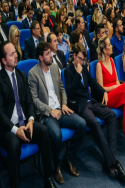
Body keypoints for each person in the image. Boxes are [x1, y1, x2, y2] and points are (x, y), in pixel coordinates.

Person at [0, 42, 55, 188]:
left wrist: (31, 120)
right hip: (8, 129)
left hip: (25, 122)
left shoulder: (21, 75)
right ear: (4, 60)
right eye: (12, 54)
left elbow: (30, 102)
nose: (16, 55)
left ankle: (48, 178)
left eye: (16, 52)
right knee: (13, 146)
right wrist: (15, 130)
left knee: (44, 131)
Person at [65, 43, 125, 183]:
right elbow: (70, 92)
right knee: (94, 123)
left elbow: (93, 83)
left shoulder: (84, 70)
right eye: (80, 59)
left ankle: (109, 160)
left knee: (111, 115)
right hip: (80, 106)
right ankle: (114, 162)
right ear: (74, 56)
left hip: (90, 101)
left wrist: (103, 91)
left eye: (84, 59)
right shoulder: (68, 71)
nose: (82, 62)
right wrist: (76, 73)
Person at [28, 41, 86, 184]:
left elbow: (61, 89)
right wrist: (50, 111)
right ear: (41, 57)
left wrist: (64, 104)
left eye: (50, 53)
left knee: (82, 124)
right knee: (57, 135)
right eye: (47, 54)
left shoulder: (54, 68)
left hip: (61, 109)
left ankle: (69, 158)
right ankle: (57, 166)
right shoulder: (33, 73)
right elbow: (34, 100)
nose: (51, 56)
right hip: (47, 114)